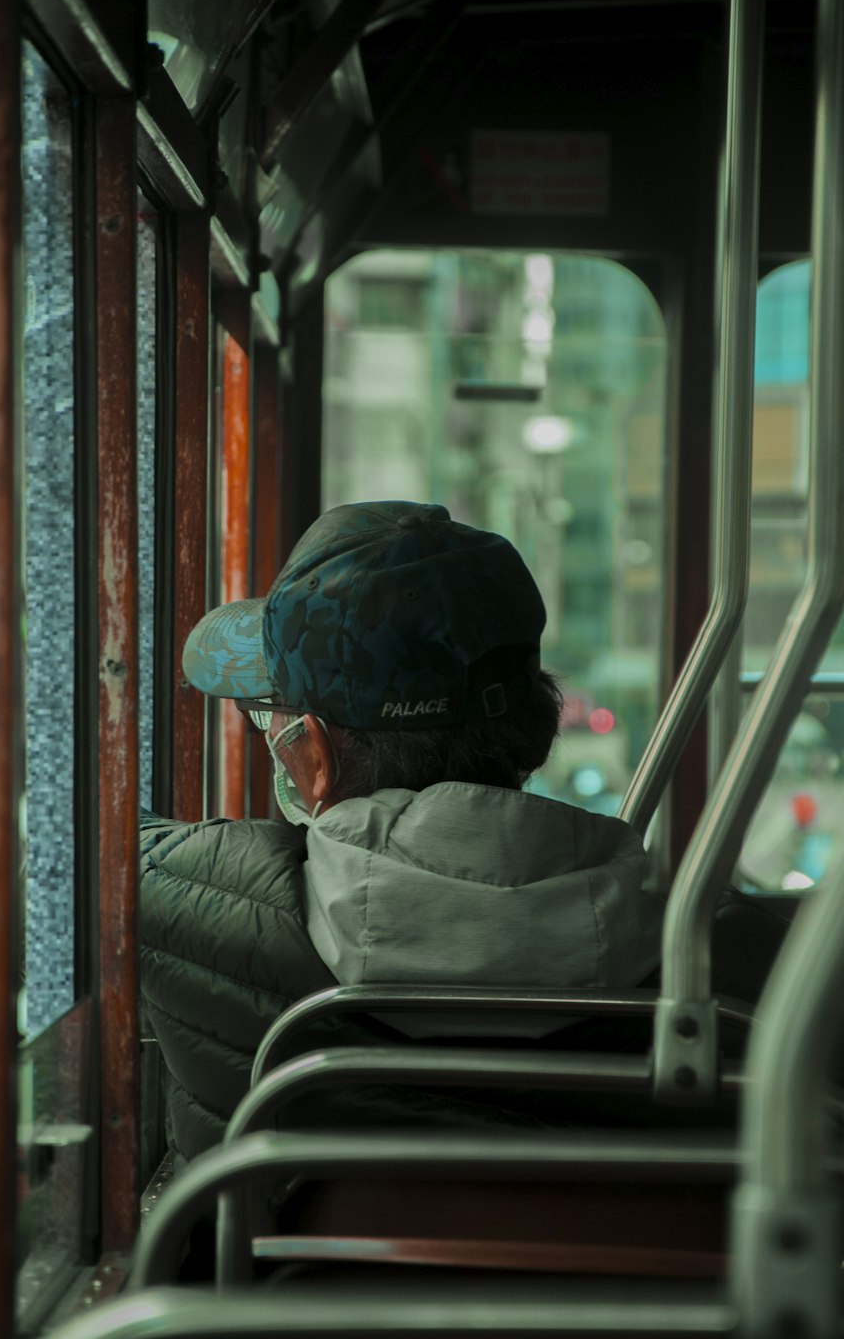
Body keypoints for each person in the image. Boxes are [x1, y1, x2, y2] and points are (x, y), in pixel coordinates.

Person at [140, 500, 665, 1167]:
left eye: (271, 712)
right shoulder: (698, 944)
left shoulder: (187, 892)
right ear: (532, 722)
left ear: (314, 752)